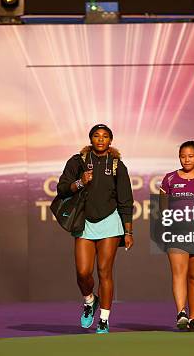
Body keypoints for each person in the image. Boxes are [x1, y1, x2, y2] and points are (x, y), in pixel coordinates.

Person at [55, 124, 134, 334]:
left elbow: (126, 200)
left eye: (105, 136)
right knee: (82, 273)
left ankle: (104, 320)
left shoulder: (118, 165)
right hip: (84, 222)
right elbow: (62, 188)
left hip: (110, 221)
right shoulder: (77, 161)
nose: (101, 139)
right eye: (97, 136)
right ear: (91, 139)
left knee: (104, 272)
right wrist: (80, 182)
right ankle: (90, 300)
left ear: (110, 141)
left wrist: (128, 231)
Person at [159, 141, 194, 331]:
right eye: (183, 156)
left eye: (190, 156)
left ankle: (193, 318)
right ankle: (181, 313)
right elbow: (163, 209)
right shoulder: (169, 179)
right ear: (179, 157)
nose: (186, 159)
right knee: (178, 274)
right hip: (176, 233)